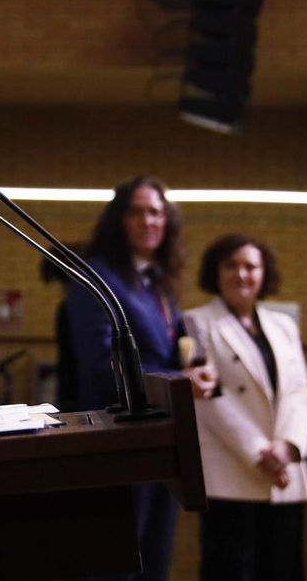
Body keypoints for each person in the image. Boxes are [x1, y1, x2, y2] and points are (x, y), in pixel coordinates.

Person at [60, 177, 215, 581]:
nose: (150, 220)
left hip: (162, 438)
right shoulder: (95, 276)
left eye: (158, 212)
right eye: (138, 211)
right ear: (118, 219)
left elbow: (170, 347)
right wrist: (178, 380)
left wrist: (197, 368)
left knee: (155, 561)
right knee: (120, 565)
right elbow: (100, 366)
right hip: (118, 440)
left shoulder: (159, 283)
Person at [185, 234, 307, 581]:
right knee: (230, 569)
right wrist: (261, 453)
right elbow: (208, 397)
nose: (241, 274)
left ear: (264, 273)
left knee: (284, 569)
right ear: (215, 271)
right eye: (231, 266)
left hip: (286, 472)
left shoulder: (284, 326)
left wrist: (287, 447)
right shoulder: (196, 323)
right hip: (232, 471)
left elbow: (301, 391)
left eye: (250, 266)